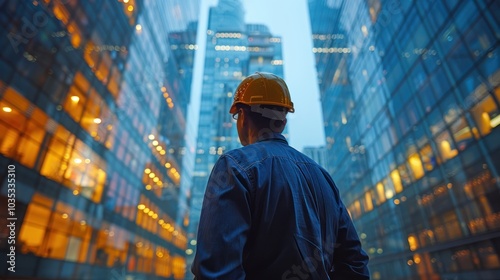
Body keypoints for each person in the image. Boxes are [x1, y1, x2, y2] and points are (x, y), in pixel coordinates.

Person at [191, 72, 370, 279]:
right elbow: (354, 263)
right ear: (283, 122)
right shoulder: (323, 177)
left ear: (243, 116)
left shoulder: (234, 166)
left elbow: (217, 270)